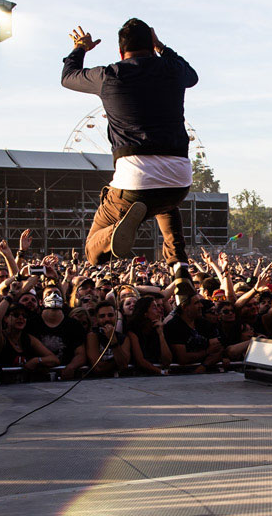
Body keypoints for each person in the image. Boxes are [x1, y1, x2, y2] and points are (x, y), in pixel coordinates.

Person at [61, 18, 198, 303]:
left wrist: (80, 48)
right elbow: (192, 76)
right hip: (179, 177)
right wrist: (163, 48)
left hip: (134, 177)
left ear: (120, 51)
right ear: (152, 45)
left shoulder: (110, 74)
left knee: (90, 248)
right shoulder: (171, 70)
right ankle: (180, 269)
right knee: (165, 204)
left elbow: (68, 76)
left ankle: (113, 235)